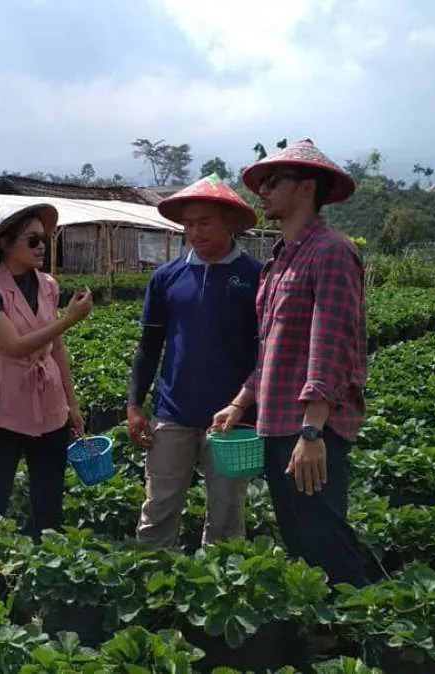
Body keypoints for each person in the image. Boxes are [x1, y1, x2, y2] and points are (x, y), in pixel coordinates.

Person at [211, 139, 370, 588]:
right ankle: (323, 634)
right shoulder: (278, 262)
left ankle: (365, 637)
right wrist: (241, 404)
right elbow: (274, 350)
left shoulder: (331, 252)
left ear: (306, 188)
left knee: (325, 537)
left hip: (309, 429)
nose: (262, 189)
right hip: (277, 424)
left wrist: (313, 431)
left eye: (272, 181)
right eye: (262, 181)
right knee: (299, 537)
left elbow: (330, 344)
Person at [127, 174, 262, 550]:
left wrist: (246, 405)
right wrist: (135, 405)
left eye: (204, 222)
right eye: (188, 224)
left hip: (234, 419)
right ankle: (154, 585)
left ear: (229, 222)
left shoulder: (255, 277)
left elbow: (269, 349)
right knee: (159, 506)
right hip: (173, 412)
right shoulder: (166, 278)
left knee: (227, 515)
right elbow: (149, 345)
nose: (194, 231)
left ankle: (217, 591)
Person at [0, 202, 93, 539]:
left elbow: (57, 348)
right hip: (2, 402)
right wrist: (70, 319)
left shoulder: (49, 285)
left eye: (44, 240)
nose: (41, 247)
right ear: (5, 244)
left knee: (49, 495)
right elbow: (15, 347)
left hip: (48, 400)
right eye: (32, 240)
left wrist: (72, 403)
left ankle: (45, 567)